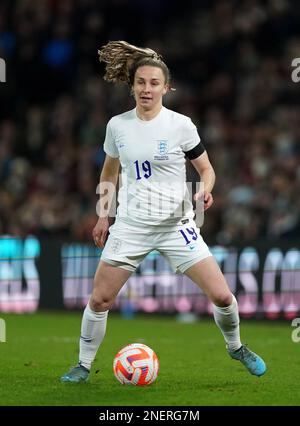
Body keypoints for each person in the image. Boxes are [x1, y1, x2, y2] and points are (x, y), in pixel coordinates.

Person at [61, 41, 266, 382]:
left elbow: (207, 169)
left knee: (222, 295)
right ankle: (82, 365)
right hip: (131, 225)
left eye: (154, 83)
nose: (147, 89)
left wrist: (205, 188)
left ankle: (236, 347)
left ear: (166, 88)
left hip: (176, 225)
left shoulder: (181, 125)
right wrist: (103, 215)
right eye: (141, 82)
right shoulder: (118, 126)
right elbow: (110, 172)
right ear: (132, 87)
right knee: (99, 299)